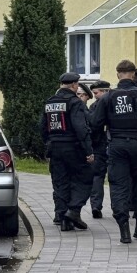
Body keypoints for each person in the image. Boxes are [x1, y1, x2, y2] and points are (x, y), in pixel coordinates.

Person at [90, 60, 137, 243]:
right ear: (133, 74)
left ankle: (124, 229)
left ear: (118, 75)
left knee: (118, 186)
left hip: (116, 145)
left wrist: (99, 143)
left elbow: (95, 124)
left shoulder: (108, 97)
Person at [40, 72, 95, 231]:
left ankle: (64, 219)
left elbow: (42, 128)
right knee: (85, 177)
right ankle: (74, 211)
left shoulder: (49, 102)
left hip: (55, 148)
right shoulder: (75, 102)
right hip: (73, 147)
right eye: (77, 85)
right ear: (73, 85)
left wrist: (49, 143)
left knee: (60, 182)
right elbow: (80, 128)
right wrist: (88, 151)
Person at [88, 80, 111, 218]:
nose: (95, 96)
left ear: (104, 91)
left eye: (96, 93)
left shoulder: (94, 107)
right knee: (115, 178)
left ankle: (96, 206)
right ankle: (119, 206)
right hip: (110, 144)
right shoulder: (117, 103)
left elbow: (91, 126)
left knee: (97, 177)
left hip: (100, 146)